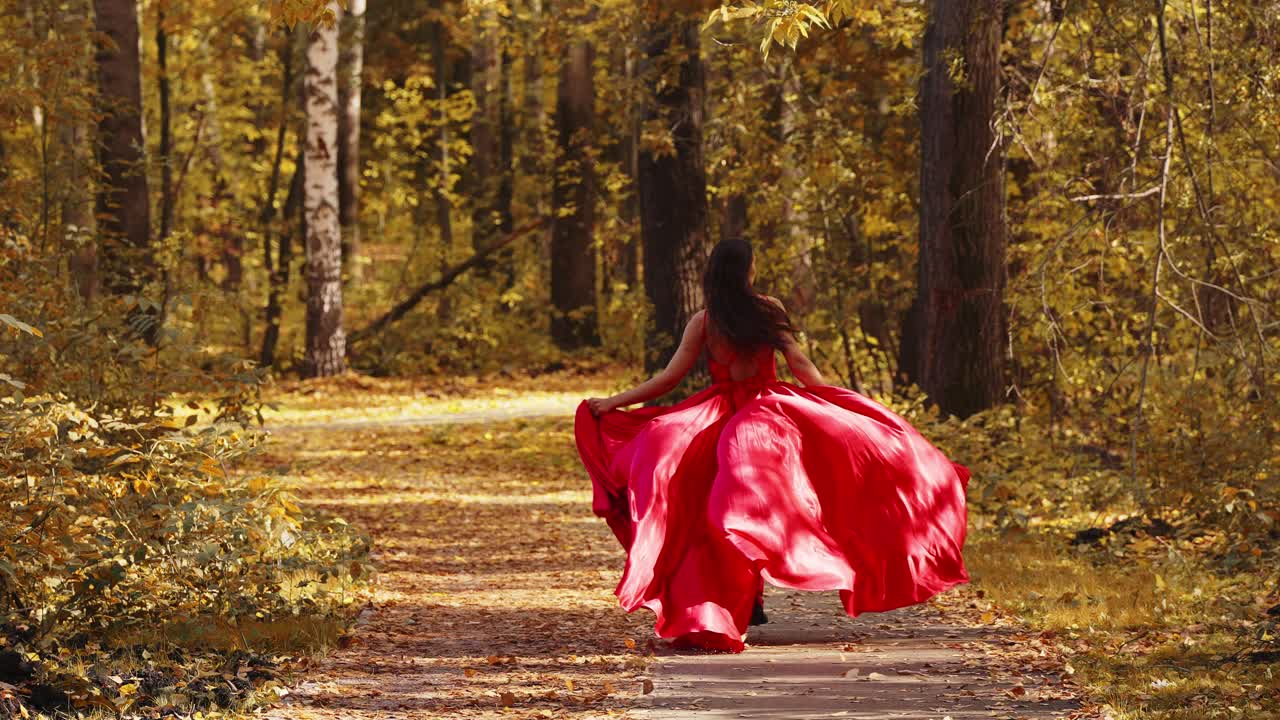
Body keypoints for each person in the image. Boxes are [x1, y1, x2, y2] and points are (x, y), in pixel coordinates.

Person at [574, 239, 970, 653]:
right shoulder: (768, 309)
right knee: (758, 507)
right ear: (749, 269)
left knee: (710, 512)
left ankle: (738, 602)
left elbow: (669, 379)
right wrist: (840, 404)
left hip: (716, 419)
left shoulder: (705, 321)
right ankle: (750, 599)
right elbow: (800, 364)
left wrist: (614, 403)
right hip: (769, 415)